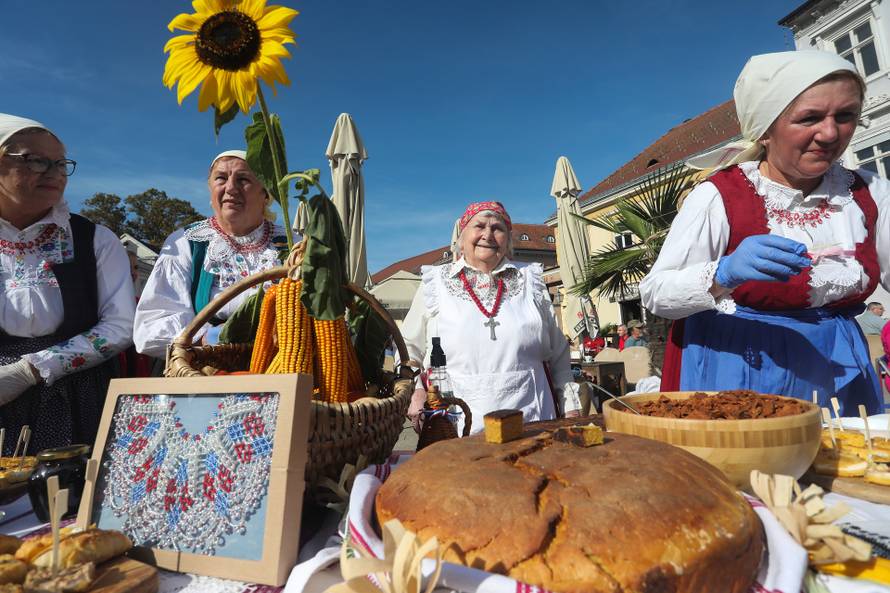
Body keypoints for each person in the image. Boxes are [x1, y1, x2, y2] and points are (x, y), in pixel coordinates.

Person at [639, 51, 890, 415]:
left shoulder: (871, 193)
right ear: (766, 129)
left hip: (839, 367)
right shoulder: (719, 195)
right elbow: (656, 293)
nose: (831, 133)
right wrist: (722, 274)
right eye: (810, 118)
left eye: (846, 115)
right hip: (742, 371)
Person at [0, 114, 135, 454]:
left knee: (68, 498)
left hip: (77, 395)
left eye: (61, 163)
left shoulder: (93, 240)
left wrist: (33, 367)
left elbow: (120, 325)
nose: (55, 173)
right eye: (36, 160)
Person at [402, 201, 580, 434]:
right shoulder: (434, 282)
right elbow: (407, 350)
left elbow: (559, 355)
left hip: (533, 417)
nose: (488, 234)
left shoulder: (531, 279)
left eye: (498, 228)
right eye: (479, 226)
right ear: (461, 238)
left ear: (508, 240)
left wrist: (571, 406)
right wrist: (415, 391)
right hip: (455, 421)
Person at [134, 150, 291, 358]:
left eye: (243, 179)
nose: (231, 188)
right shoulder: (186, 243)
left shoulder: (292, 243)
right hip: (204, 368)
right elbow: (151, 324)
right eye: (221, 178)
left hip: (282, 366)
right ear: (210, 190)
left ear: (265, 193)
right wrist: (210, 337)